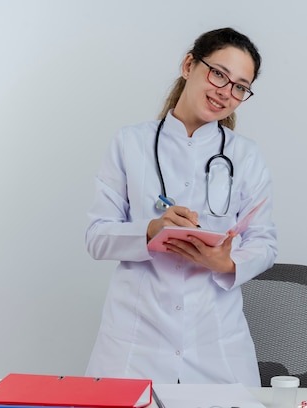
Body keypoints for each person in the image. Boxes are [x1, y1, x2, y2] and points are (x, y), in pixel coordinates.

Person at [84, 27, 277, 386]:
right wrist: (150, 229)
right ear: (189, 65)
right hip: (133, 347)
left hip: (216, 346)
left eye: (239, 86)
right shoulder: (130, 143)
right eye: (218, 74)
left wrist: (228, 262)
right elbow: (97, 236)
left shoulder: (246, 156)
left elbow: (265, 242)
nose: (225, 92)